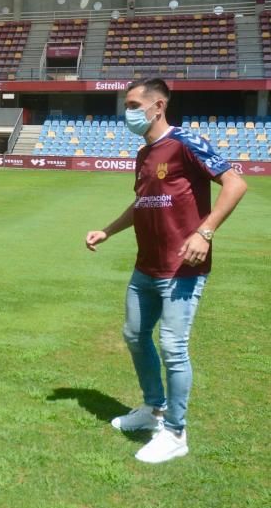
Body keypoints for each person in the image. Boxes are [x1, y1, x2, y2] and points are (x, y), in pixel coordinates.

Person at [85, 78, 247, 463]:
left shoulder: (187, 142)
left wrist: (204, 232)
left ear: (158, 107)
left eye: (134, 105)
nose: (128, 113)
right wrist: (107, 231)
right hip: (146, 267)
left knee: (173, 348)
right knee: (135, 335)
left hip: (183, 268)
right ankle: (153, 410)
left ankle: (175, 433)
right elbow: (142, 203)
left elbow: (235, 184)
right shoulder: (144, 155)